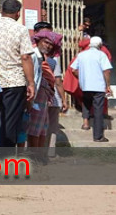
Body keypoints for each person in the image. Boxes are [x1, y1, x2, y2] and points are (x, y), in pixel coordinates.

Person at [0, 0, 36, 148]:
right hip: (14, 83)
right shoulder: (20, 29)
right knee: (10, 123)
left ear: (1, 10)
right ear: (18, 13)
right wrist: (31, 83)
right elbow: (25, 57)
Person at [70, 37, 112, 143]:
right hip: (98, 86)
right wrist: (108, 85)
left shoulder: (81, 55)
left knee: (86, 104)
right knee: (98, 110)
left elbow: (73, 70)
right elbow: (106, 71)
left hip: (85, 85)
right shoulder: (101, 55)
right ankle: (98, 136)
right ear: (100, 45)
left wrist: (82, 78)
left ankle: (85, 123)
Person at [33, 22, 67, 153]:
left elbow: (58, 80)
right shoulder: (32, 54)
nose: (48, 43)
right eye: (45, 38)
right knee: (35, 127)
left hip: (50, 97)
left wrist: (63, 99)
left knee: (46, 126)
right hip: (36, 96)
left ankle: (46, 153)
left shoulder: (52, 60)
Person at [27, 30, 62, 150]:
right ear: (38, 41)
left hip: (43, 94)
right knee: (35, 128)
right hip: (37, 93)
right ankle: (35, 156)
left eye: (50, 44)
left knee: (42, 127)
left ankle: (39, 156)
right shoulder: (33, 54)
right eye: (45, 42)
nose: (47, 46)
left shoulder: (43, 58)